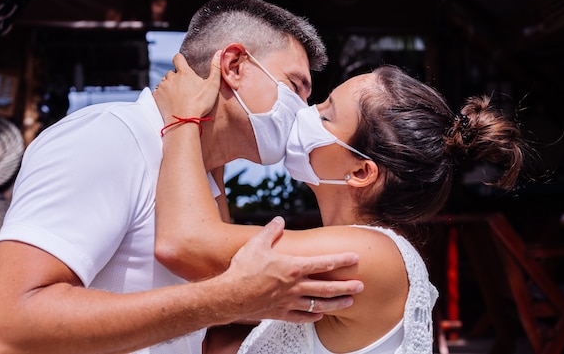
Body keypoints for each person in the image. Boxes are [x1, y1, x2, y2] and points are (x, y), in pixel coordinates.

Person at [0, 0, 366, 354]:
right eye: (296, 87)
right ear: (234, 65)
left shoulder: (196, 173)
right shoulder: (112, 137)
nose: (303, 109)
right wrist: (223, 299)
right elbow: (1, 330)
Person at [152, 55, 530, 353]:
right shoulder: (359, 243)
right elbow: (216, 265)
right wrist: (217, 141)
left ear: (361, 171)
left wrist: (183, 117)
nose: (307, 112)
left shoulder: (367, 253)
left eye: (327, 113)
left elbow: (186, 244)